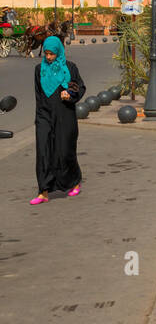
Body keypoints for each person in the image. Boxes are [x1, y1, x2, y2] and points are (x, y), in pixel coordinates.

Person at [30, 35, 86, 204]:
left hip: (65, 116)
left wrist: (69, 94)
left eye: (52, 54)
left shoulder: (70, 68)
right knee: (43, 151)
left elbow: (79, 88)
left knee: (64, 151)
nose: (48, 57)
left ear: (59, 52)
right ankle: (44, 191)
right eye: (46, 54)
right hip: (44, 115)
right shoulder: (39, 70)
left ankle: (74, 181)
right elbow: (39, 95)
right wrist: (39, 118)